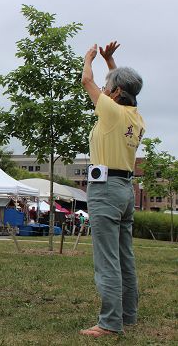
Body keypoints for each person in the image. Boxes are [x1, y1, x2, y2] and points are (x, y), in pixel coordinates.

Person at [80, 41, 145, 337]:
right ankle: (128, 314)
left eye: (110, 86)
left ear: (116, 93)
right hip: (125, 189)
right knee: (124, 256)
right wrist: (111, 61)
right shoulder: (135, 117)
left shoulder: (110, 112)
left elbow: (86, 81)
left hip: (104, 190)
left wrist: (89, 58)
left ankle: (109, 323)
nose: (105, 88)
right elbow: (121, 86)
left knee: (107, 259)